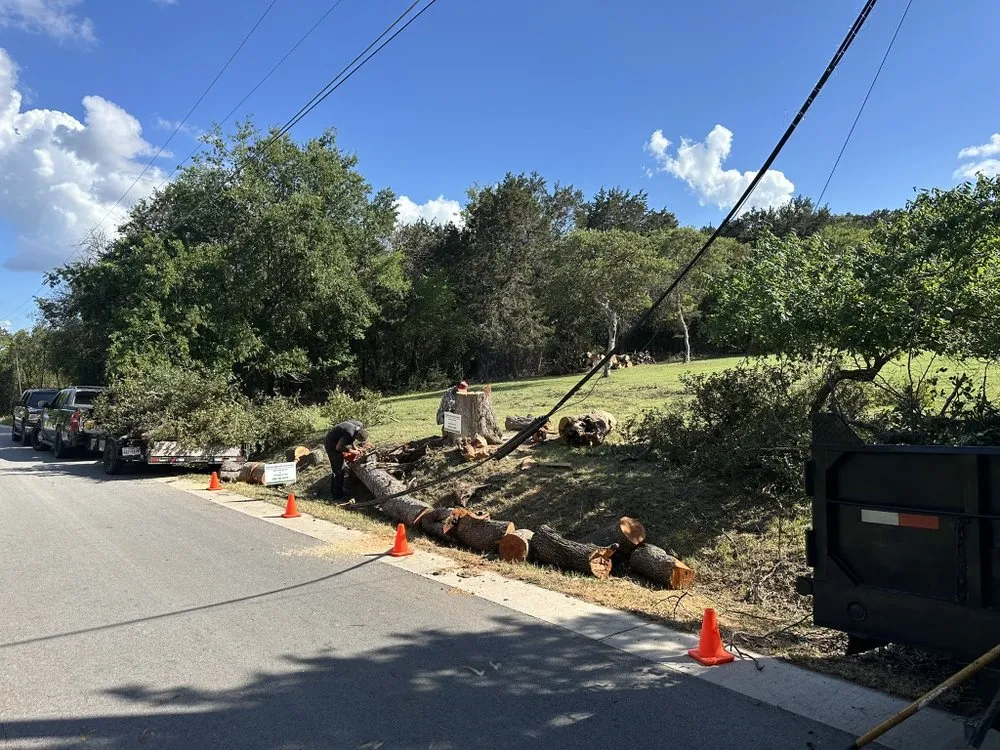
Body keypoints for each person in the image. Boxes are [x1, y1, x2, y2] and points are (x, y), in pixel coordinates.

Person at [324, 420, 369, 500]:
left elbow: (351, 440)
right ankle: (337, 496)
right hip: (331, 445)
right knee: (339, 470)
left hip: (338, 439)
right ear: (356, 436)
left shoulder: (358, 426)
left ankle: (335, 491)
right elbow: (338, 447)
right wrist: (353, 451)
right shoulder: (349, 433)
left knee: (339, 468)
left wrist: (355, 448)